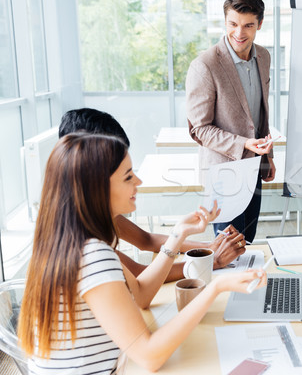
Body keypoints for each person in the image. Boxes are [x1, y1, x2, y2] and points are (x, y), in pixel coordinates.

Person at [18, 133, 267, 373]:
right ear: (97, 189)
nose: (138, 182)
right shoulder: (93, 256)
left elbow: (140, 294)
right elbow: (149, 357)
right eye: (128, 177)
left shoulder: (69, 242)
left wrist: (178, 234)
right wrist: (215, 288)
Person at [59, 108, 246, 282]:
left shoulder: (92, 205)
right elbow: (140, 277)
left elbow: (146, 240)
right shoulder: (81, 236)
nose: (137, 181)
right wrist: (212, 261)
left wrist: (208, 248)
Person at [186, 0, 275, 243]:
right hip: (223, 174)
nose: (239, 33)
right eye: (233, 24)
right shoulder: (205, 65)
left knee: (247, 241)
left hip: (254, 168)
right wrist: (243, 144)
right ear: (225, 21)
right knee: (227, 247)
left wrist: (267, 158)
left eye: (248, 25)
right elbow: (199, 129)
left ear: (260, 23)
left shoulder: (264, 57)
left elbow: (260, 115)